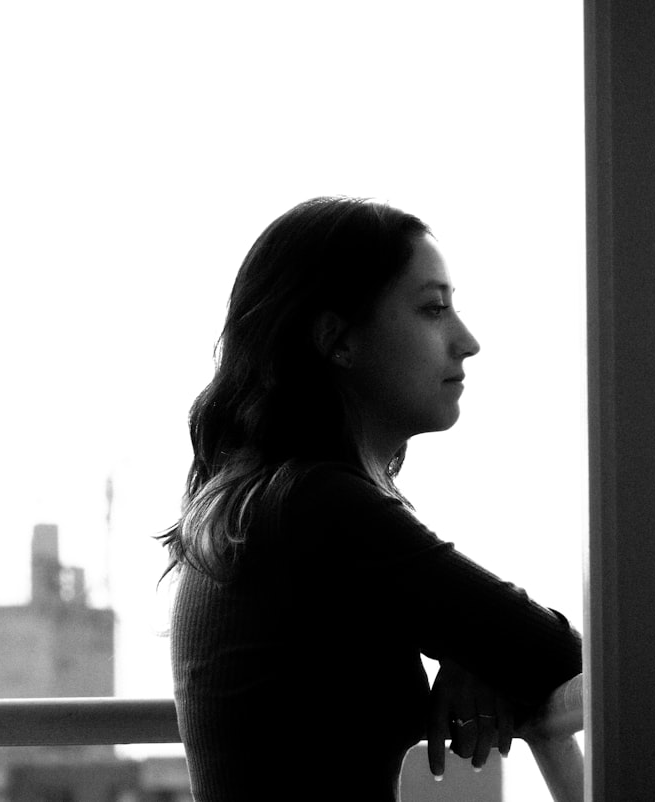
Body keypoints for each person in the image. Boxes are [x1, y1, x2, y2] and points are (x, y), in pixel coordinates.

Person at [160, 197, 584, 801]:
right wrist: (487, 648)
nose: (468, 341)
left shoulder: (264, 506)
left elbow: (521, 645)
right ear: (336, 339)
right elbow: (556, 654)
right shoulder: (318, 505)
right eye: (433, 309)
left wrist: (478, 652)